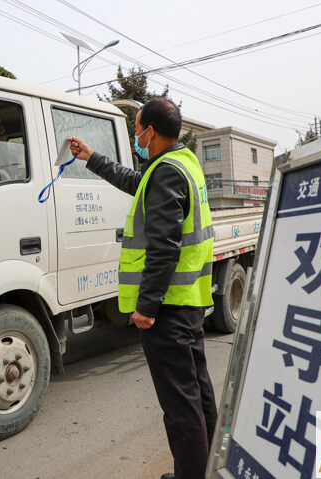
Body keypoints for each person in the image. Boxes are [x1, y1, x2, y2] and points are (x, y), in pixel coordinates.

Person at [69, 98, 217, 479]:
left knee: (181, 406)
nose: (135, 135)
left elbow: (164, 246)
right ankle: (208, 468)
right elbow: (138, 182)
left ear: (150, 131)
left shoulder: (167, 172)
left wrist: (146, 308)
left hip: (167, 308)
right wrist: (92, 157)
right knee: (197, 394)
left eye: (137, 128)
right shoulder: (181, 163)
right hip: (189, 302)